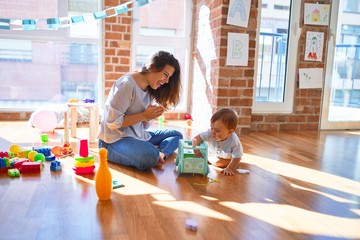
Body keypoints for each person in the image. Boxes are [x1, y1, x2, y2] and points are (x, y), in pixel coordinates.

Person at [98, 51, 183, 171]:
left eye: (169, 77)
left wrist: (149, 116)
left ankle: (160, 154)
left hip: (137, 136)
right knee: (148, 157)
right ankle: (153, 153)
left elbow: (144, 126)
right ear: (152, 67)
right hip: (113, 141)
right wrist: (143, 115)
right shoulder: (127, 84)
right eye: (165, 74)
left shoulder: (149, 88)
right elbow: (112, 123)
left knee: (177, 135)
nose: (166, 81)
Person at [192, 108, 243, 176]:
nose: (213, 132)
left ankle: (231, 163)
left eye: (217, 131)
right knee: (213, 160)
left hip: (227, 158)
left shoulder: (234, 141)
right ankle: (208, 158)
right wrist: (196, 150)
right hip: (213, 154)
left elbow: (237, 156)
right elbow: (196, 138)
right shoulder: (210, 132)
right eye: (212, 128)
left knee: (218, 163)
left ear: (229, 132)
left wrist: (230, 168)